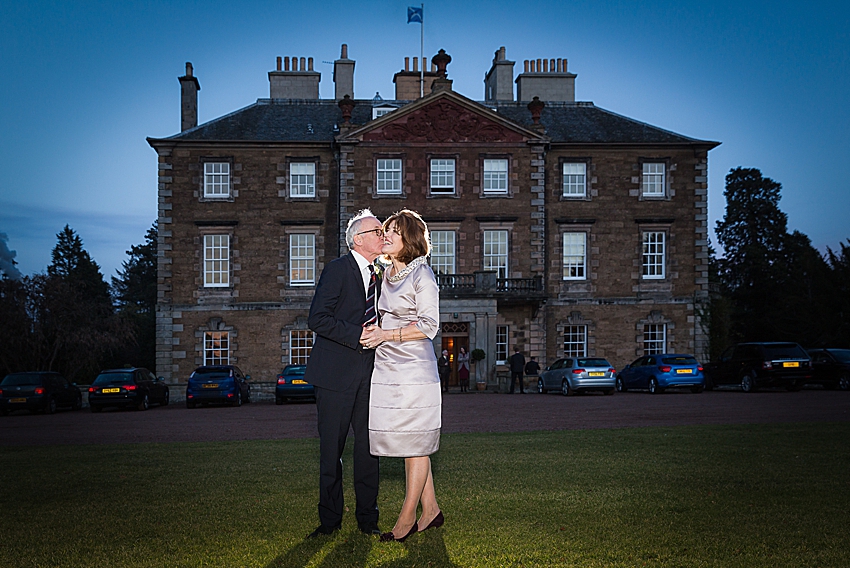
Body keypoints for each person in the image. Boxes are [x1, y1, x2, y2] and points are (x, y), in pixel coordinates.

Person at [360, 209, 444, 543]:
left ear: (408, 238)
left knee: (416, 442)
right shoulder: (385, 273)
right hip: (387, 365)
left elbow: (429, 326)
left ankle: (406, 518)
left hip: (413, 369)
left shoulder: (422, 275)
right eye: (385, 231)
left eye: (393, 231)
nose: (386, 236)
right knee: (411, 439)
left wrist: (386, 335)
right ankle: (432, 510)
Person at [303, 209, 384, 538]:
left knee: (369, 452)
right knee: (331, 454)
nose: (383, 235)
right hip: (335, 376)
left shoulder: (381, 275)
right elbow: (317, 318)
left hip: (371, 375)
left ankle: (368, 521)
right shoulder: (337, 270)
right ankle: (329, 522)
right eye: (377, 231)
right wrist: (357, 334)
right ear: (358, 239)